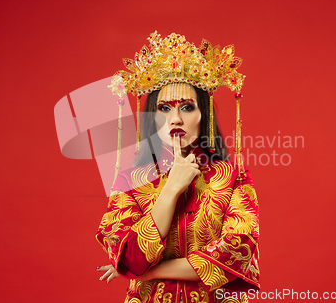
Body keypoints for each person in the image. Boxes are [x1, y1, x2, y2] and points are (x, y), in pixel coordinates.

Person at [96, 32, 259, 303]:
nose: (175, 119)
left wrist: (151, 272)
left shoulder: (232, 178)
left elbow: (236, 251)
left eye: (186, 107)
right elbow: (132, 259)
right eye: (163, 108)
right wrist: (171, 188)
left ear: (203, 115)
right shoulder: (130, 182)